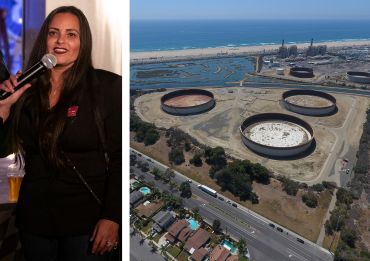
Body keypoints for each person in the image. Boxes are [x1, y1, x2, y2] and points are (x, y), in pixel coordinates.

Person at [0, 6, 121, 261]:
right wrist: (5, 108)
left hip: (86, 223)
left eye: (71, 34)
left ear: (83, 42)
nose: (60, 41)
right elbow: (3, 150)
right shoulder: (28, 92)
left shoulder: (106, 87)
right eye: (54, 33)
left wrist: (112, 216)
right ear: (45, 39)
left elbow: (121, 159)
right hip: (35, 221)